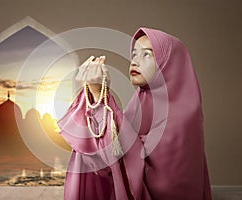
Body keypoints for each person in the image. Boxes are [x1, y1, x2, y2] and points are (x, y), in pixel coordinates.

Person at [58, 27, 212, 200]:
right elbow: (113, 147)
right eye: (134, 54)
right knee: (85, 148)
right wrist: (96, 97)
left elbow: (137, 165)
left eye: (146, 54)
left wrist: (100, 96)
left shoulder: (181, 113)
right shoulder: (143, 100)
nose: (134, 62)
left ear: (169, 63)